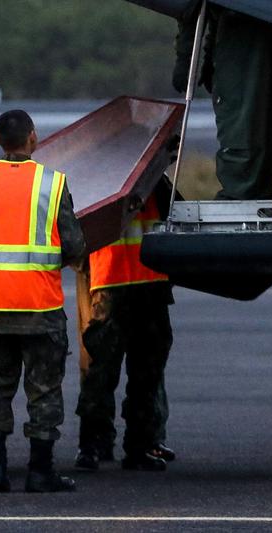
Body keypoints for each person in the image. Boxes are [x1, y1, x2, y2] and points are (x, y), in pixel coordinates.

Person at [0, 109, 85, 493]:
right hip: (40, 309)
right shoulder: (52, 183)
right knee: (43, 390)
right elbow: (75, 246)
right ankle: (41, 472)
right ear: (33, 137)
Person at [74, 194, 174, 472]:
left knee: (116, 372)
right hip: (130, 283)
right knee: (118, 373)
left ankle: (100, 446)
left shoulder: (109, 178)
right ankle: (125, 446)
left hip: (121, 283)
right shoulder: (152, 180)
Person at [173, 2, 272, 200]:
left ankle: (243, 200)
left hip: (249, 42)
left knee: (248, 137)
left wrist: (188, 54)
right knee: (262, 135)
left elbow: (195, 7)